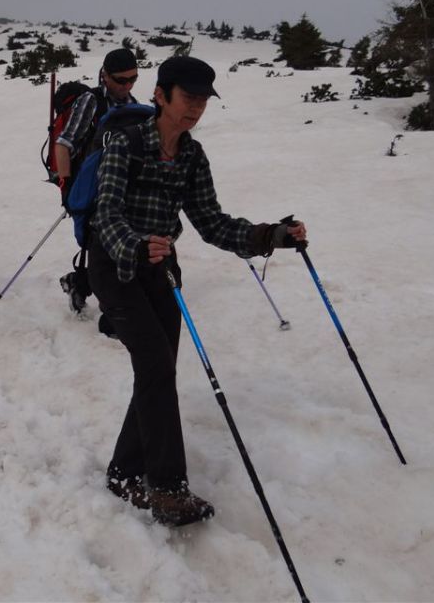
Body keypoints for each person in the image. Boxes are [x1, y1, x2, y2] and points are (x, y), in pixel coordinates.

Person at [88, 56, 307, 527]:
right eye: (188, 97)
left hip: (162, 269)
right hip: (115, 265)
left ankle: (125, 471)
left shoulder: (191, 155)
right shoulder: (124, 144)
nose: (196, 108)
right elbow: (105, 215)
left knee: (158, 368)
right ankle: (166, 488)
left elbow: (211, 222)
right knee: (154, 364)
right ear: (161, 95)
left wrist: (271, 235)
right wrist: (136, 245)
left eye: (203, 99)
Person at [54, 48, 139, 335]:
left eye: (132, 79)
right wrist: (67, 187)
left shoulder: (134, 105)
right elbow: (65, 143)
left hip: (123, 189)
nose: (126, 86)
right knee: (102, 248)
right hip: (89, 190)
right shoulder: (91, 101)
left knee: (115, 248)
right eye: (121, 80)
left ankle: (78, 283)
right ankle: (113, 316)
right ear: (105, 75)